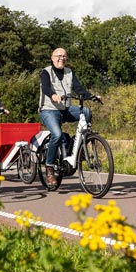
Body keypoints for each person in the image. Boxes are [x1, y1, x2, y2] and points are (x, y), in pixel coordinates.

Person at [38, 47, 97, 187]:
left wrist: (92, 96)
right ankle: (50, 167)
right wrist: (53, 95)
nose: (61, 58)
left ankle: (79, 147)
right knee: (57, 135)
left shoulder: (69, 72)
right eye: (58, 56)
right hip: (49, 110)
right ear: (52, 58)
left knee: (87, 112)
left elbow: (79, 89)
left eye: (64, 56)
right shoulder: (46, 72)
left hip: (65, 109)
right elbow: (46, 87)